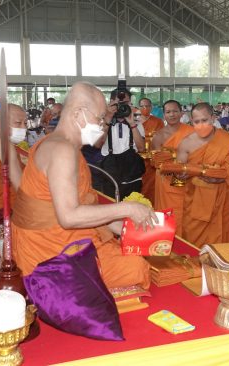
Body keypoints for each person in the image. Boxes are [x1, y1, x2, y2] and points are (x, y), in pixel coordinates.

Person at [11, 81, 152, 290]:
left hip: (53, 238)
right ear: (78, 113)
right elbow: (69, 217)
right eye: (100, 118)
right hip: (49, 257)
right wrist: (128, 209)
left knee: (127, 250)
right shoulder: (62, 150)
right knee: (136, 266)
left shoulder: (59, 144)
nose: (104, 125)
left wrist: (121, 227)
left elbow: (78, 204)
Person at [174, 102, 229, 247]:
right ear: (191, 121)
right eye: (196, 122)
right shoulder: (186, 144)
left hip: (223, 202)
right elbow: (177, 180)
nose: (201, 125)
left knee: (224, 249)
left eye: (204, 120)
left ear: (213, 118)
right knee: (195, 248)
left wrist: (220, 176)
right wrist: (181, 176)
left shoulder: (228, 141)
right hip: (196, 205)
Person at [151, 100, 194, 236]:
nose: (172, 115)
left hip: (187, 176)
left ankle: (185, 245)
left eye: (175, 111)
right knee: (169, 212)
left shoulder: (191, 133)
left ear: (181, 113)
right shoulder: (159, 136)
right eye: (168, 112)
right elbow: (156, 161)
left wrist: (187, 169)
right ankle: (166, 241)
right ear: (163, 115)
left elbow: (197, 155)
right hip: (167, 180)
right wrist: (171, 166)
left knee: (185, 211)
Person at [94, 88, 146, 200]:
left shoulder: (137, 123)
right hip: (110, 176)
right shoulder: (102, 123)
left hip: (132, 176)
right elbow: (98, 145)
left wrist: (131, 123)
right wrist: (107, 119)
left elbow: (141, 148)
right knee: (112, 208)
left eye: (125, 103)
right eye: (119, 103)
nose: (122, 106)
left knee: (133, 210)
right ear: (111, 102)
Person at [137, 98, 164, 204]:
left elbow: (162, 139)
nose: (145, 108)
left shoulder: (158, 121)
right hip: (137, 159)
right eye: (142, 106)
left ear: (151, 107)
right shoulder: (135, 121)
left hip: (151, 160)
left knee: (151, 187)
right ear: (139, 107)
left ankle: (151, 206)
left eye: (147, 106)